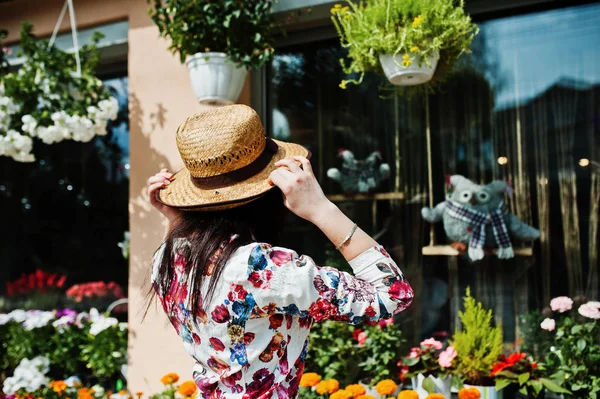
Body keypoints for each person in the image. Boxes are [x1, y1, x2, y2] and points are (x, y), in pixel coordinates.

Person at [146, 105, 413, 399]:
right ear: (268, 191)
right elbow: (392, 295)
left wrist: (178, 220)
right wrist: (321, 209)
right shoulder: (261, 269)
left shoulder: (166, 259)